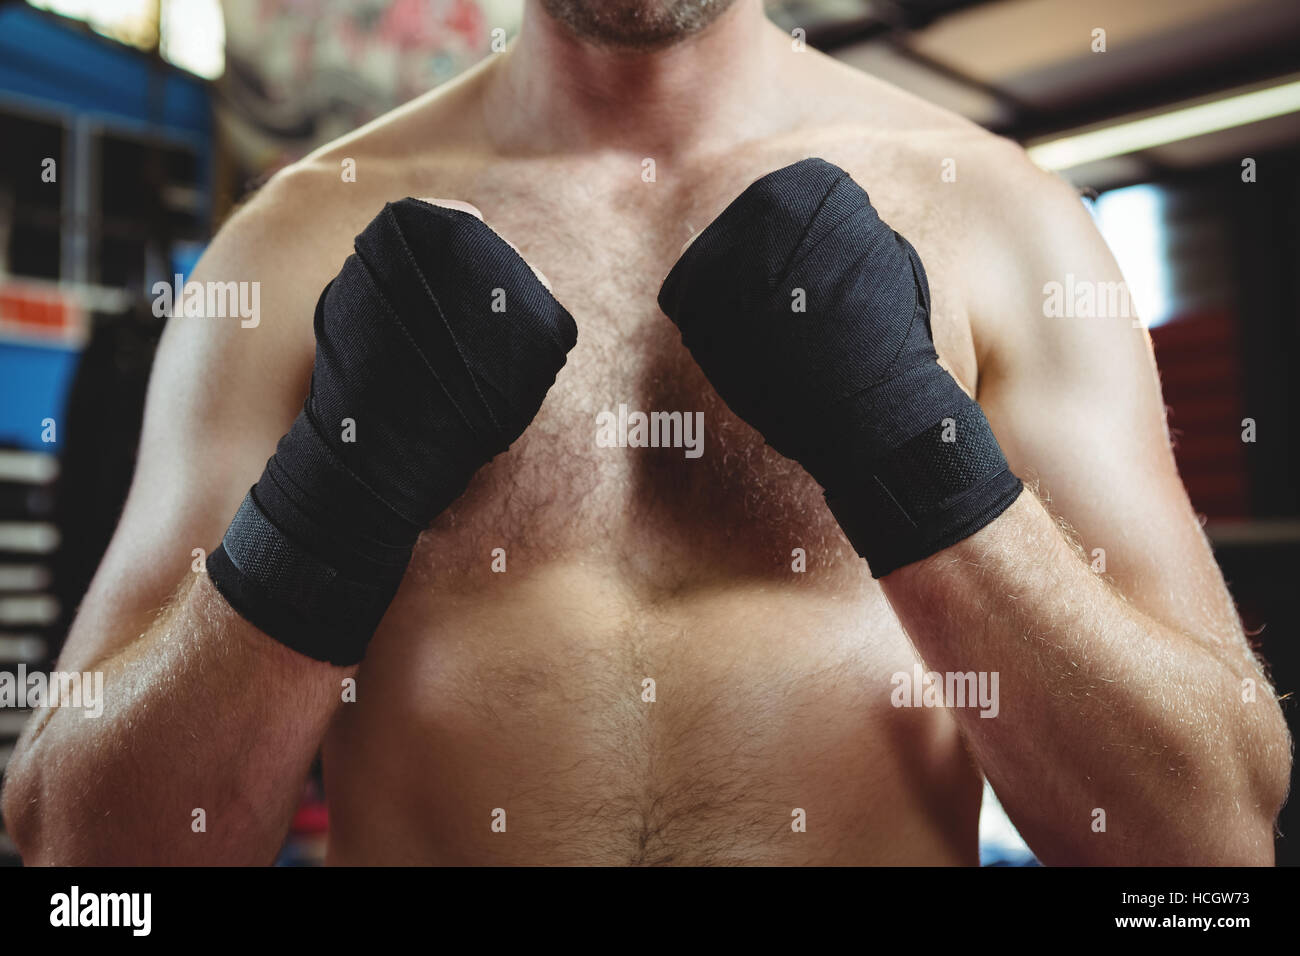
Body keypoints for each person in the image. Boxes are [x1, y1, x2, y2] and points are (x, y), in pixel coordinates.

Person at [3, 0, 1290, 865]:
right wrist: (332, 498)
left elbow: (1210, 830)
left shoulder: (998, 220)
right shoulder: (293, 245)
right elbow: (80, 856)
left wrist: (911, 450)